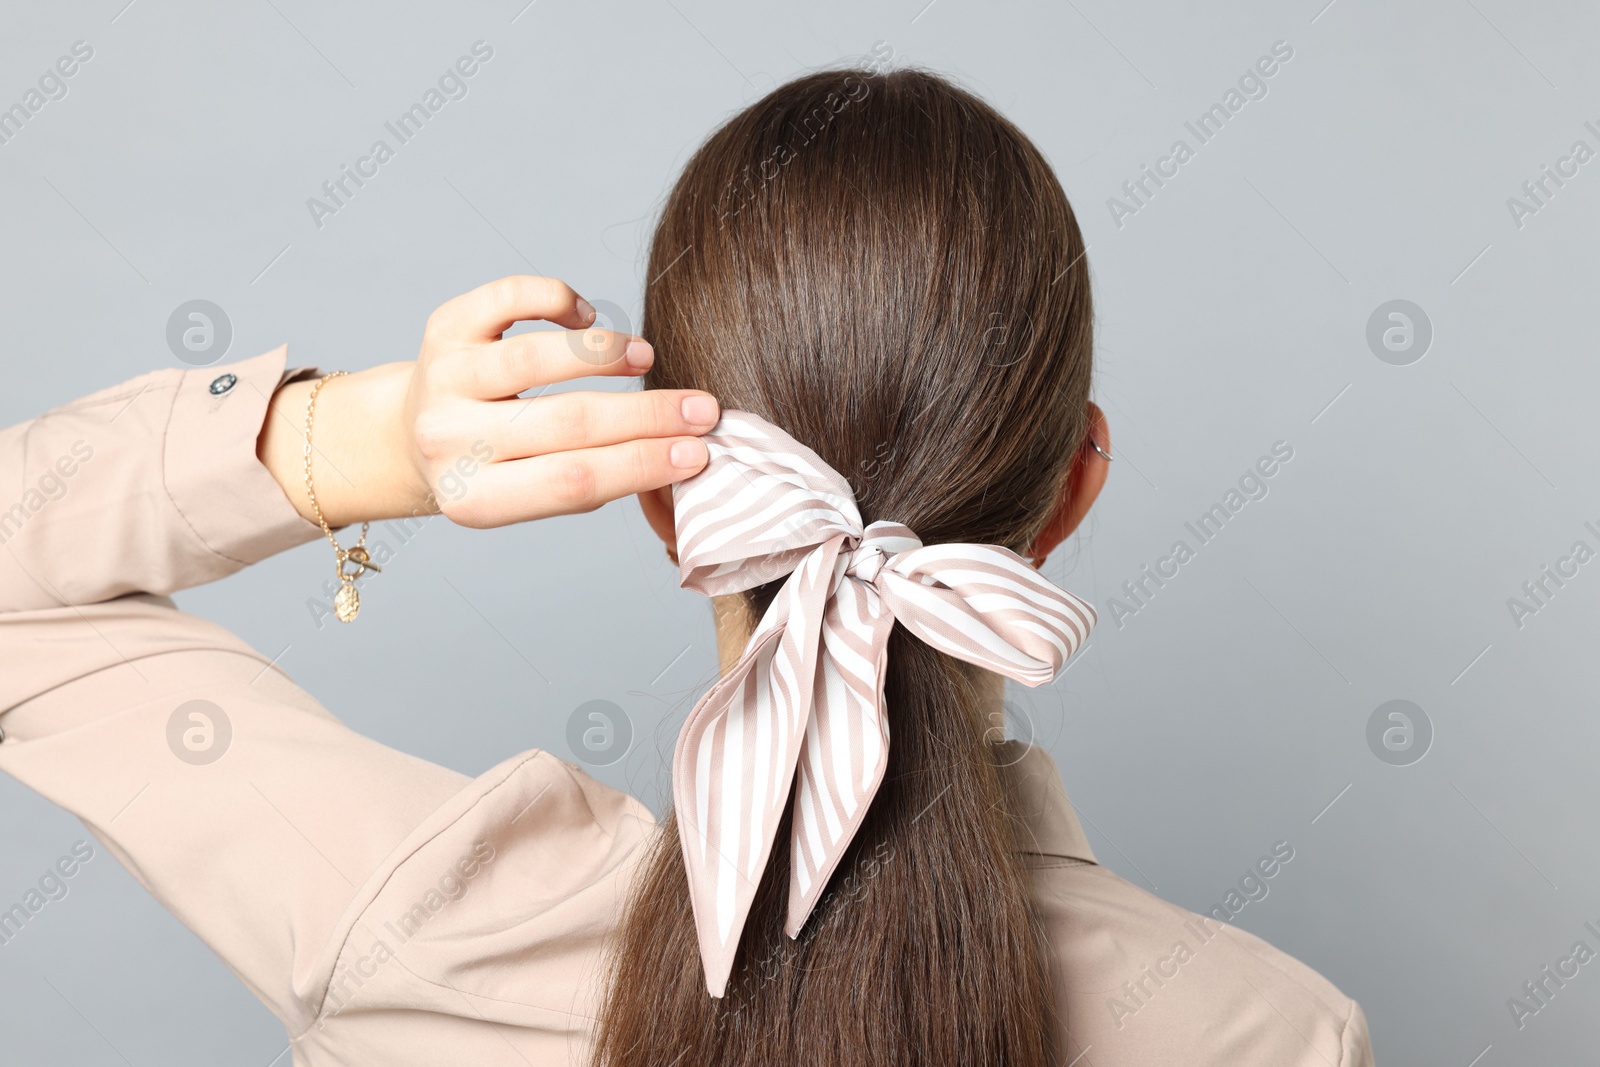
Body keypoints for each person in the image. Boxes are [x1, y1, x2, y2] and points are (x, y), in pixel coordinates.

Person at [0, 68, 1374, 1065]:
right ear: (1071, 487)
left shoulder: (428, 931)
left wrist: (359, 443)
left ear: (672, 506)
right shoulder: (1270, 1038)